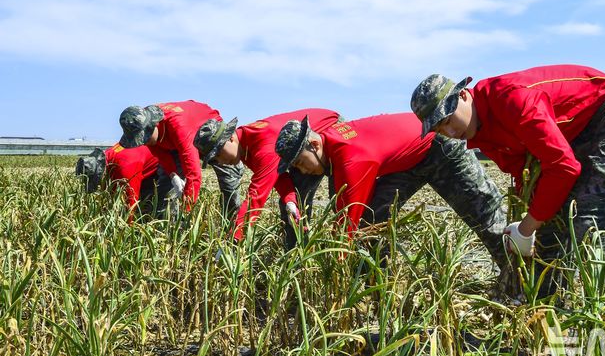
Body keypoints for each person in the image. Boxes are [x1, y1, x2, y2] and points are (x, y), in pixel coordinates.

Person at [411, 64, 605, 295]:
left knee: (591, 219)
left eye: (448, 121)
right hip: (575, 133)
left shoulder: (511, 100)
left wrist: (527, 228)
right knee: (549, 228)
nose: (451, 133)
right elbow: (527, 176)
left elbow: (563, 167)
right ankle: (548, 303)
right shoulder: (482, 133)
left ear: (464, 95)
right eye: (441, 130)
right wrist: (528, 223)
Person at [274, 112, 506, 266]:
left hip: (439, 145)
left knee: (484, 215)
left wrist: (333, 267)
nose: (303, 171)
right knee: (371, 220)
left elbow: (345, 227)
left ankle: (522, 276)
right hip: (406, 161)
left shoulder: (351, 159)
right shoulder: (333, 153)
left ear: (315, 145)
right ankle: (377, 282)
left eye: (302, 163)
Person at [193, 108, 341, 247]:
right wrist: (290, 199)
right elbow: (279, 177)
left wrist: (233, 240)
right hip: (306, 147)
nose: (220, 162)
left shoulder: (262, 145)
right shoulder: (245, 146)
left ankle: (300, 255)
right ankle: (295, 252)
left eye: (218, 154)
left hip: (328, 133)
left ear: (231, 138)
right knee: (292, 203)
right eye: (214, 161)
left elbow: (255, 199)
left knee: (340, 202)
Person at [118, 100, 244, 223]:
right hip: (176, 144)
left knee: (229, 183)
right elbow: (162, 155)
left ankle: (232, 226)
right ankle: (166, 225)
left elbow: (194, 174)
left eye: (145, 137)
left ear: (154, 124)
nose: (144, 141)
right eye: (141, 139)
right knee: (165, 187)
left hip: (210, 135)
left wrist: (187, 209)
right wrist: (173, 176)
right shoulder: (143, 124)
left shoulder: (178, 127)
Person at [75, 143, 184, 218]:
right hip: (145, 165)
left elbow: (131, 202)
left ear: (101, 172)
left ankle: (169, 229)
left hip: (170, 159)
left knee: (161, 204)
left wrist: (125, 229)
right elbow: (112, 192)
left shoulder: (125, 169)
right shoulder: (107, 157)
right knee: (145, 200)